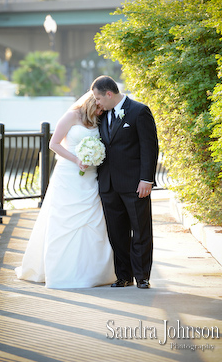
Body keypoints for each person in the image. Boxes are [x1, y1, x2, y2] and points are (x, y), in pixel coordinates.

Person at [15, 91, 116, 288]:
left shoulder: (98, 119)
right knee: (63, 222)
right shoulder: (72, 116)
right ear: (89, 102)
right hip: (69, 174)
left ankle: (92, 273)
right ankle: (61, 272)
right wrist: (77, 159)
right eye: (97, 107)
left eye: (101, 108)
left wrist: (93, 157)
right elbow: (53, 144)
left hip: (90, 175)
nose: (100, 111)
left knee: (93, 221)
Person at [91, 76, 159, 289]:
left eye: (98, 98)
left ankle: (142, 276)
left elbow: (149, 148)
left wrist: (146, 179)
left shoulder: (139, 111)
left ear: (109, 94)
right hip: (108, 185)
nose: (97, 103)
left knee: (141, 230)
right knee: (117, 232)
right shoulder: (101, 115)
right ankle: (124, 275)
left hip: (134, 184)